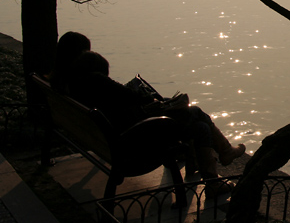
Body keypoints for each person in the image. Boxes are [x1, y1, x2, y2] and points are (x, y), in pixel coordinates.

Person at [60, 37, 245, 196]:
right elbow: (130, 96)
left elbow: (121, 99)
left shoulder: (70, 83)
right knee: (195, 113)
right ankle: (221, 161)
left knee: (200, 127)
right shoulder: (96, 81)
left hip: (117, 136)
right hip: (136, 140)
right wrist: (148, 99)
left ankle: (209, 166)